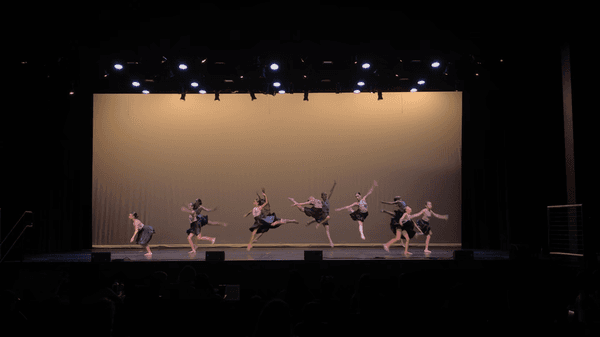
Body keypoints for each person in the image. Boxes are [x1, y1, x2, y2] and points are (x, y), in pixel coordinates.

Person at [289, 180, 336, 247]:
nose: (311, 198)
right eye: (310, 198)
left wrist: (334, 185)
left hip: (320, 214)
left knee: (326, 227)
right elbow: (304, 203)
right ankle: (316, 223)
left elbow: (330, 193)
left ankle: (330, 242)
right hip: (315, 211)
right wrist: (296, 203)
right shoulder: (314, 200)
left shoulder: (321, 201)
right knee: (302, 209)